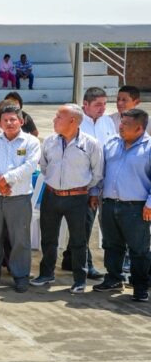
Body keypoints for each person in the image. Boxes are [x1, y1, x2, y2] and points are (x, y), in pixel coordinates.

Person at [32, 104, 103, 293]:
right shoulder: (49, 141)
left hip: (78, 199)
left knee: (79, 241)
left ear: (72, 121)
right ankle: (46, 274)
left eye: (58, 117)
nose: (54, 120)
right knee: (48, 238)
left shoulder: (91, 144)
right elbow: (44, 167)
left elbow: (97, 173)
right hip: (51, 195)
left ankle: (80, 280)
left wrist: (83, 188)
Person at [0, 105, 41, 293]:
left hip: (19, 198)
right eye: (5, 120)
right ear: (0, 122)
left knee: (20, 238)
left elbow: (30, 166)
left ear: (21, 121)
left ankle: (20, 276)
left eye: (13, 119)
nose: (9, 123)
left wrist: (5, 179)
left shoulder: (31, 142)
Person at [91, 109, 151, 302]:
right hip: (109, 204)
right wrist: (94, 193)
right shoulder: (112, 143)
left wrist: (150, 204)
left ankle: (140, 287)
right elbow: (101, 172)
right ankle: (114, 279)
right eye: (121, 122)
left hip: (136, 208)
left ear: (140, 128)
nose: (121, 127)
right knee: (111, 245)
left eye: (126, 124)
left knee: (139, 250)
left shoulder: (149, 148)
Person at [73, 86, 117, 279]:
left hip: (107, 184)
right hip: (86, 185)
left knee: (109, 227)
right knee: (84, 228)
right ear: (86, 104)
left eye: (105, 104)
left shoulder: (107, 122)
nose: (103, 108)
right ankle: (86, 265)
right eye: (98, 104)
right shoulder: (77, 122)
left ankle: (114, 267)